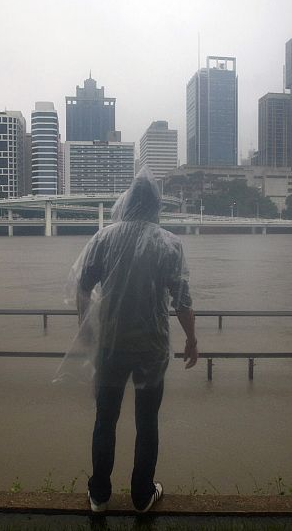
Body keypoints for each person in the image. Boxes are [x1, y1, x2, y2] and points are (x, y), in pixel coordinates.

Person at [69, 171, 198, 513]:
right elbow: (182, 300)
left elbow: (83, 285)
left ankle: (99, 495)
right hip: (152, 347)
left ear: (127, 201)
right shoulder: (169, 243)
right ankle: (142, 495)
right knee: (147, 422)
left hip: (110, 345)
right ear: (157, 204)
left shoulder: (103, 239)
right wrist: (192, 340)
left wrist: (85, 326)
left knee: (105, 419)